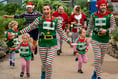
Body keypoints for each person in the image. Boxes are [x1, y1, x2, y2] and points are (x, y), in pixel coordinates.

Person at [10, 4, 72, 79]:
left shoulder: (56, 20)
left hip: (52, 44)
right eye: (44, 9)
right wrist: (17, 33)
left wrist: (69, 42)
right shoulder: (39, 20)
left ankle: (47, 77)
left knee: (48, 63)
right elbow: (29, 28)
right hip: (42, 44)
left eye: (47, 9)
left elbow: (61, 33)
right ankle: (43, 74)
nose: (46, 11)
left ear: (51, 10)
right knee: (44, 64)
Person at [86, 0, 116, 79]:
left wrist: (107, 30)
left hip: (105, 40)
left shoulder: (110, 16)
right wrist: (86, 35)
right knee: (97, 58)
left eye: (104, 5)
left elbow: (113, 27)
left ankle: (95, 72)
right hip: (95, 39)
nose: (103, 7)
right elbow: (90, 25)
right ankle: (99, 76)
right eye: (101, 5)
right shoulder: (93, 15)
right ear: (98, 6)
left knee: (101, 59)